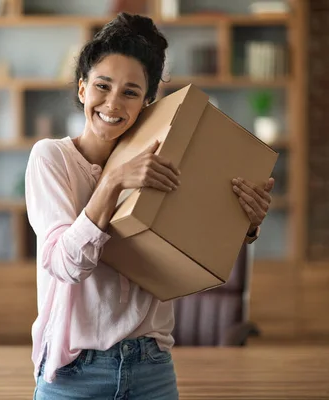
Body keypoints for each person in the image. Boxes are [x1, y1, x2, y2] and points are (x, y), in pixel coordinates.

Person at [25, 12, 274, 400]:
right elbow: (64, 264)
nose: (112, 103)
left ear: (146, 103)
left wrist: (245, 224)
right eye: (102, 86)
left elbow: (192, 245)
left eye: (130, 92)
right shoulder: (51, 159)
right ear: (81, 89)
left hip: (151, 366)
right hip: (76, 373)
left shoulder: (161, 158)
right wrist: (112, 181)